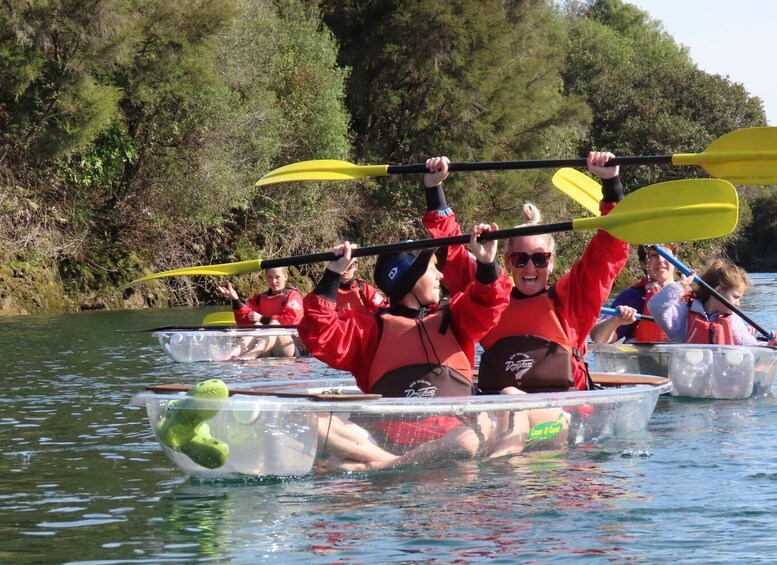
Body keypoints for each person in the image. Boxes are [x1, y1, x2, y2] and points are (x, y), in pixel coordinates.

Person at [298, 221, 518, 471]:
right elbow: (318, 332)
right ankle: (385, 461)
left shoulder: (456, 318)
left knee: (466, 442)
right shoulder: (370, 330)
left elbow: (490, 301)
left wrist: (487, 264)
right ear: (411, 279)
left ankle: (378, 465)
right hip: (384, 436)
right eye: (432, 269)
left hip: (452, 433)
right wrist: (333, 274)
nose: (441, 275)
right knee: (308, 418)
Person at [422, 153, 629, 395]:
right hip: (503, 409)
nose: (530, 268)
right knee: (508, 397)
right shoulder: (488, 300)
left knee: (510, 396)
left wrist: (611, 183)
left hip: (562, 411)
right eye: (520, 259)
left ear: (551, 262)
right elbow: (451, 253)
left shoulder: (572, 301)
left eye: (540, 259)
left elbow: (608, 252)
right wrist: (434, 188)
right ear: (507, 262)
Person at [648, 258, 777, 345]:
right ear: (719, 290)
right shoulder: (684, 313)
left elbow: (750, 346)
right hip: (690, 377)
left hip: (723, 378)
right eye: (736, 297)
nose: (738, 303)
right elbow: (655, 306)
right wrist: (680, 285)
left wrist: (768, 345)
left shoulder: (733, 320)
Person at [590, 244, 678, 344]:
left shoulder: (689, 298)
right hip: (644, 354)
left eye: (666, 254)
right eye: (653, 255)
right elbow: (598, 338)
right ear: (643, 263)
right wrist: (615, 320)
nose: (661, 260)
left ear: (675, 260)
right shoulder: (632, 297)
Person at [216, 266, 303, 358]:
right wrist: (235, 300)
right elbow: (244, 320)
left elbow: (293, 320)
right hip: (265, 347)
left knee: (274, 324)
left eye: (277, 277)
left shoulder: (292, 296)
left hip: (287, 348)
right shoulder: (259, 298)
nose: (273, 281)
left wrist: (262, 318)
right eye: (270, 277)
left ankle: (250, 356)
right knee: (257, 325)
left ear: (285, 276)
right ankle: (231, 355)